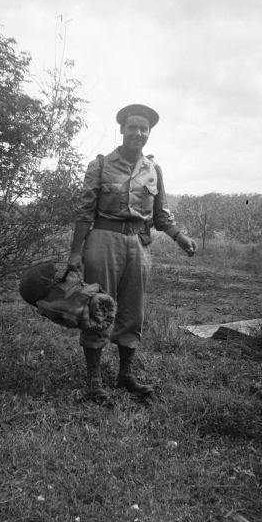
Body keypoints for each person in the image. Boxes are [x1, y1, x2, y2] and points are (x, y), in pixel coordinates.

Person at [68, 104, 197, 400]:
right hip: (103, 239)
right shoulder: (100, 166)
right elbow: (85, 212)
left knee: (133, 310)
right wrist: (76, 253)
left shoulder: (154, 169)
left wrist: (181, 237)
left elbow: (162, 216)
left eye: (144, 128)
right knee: (98, 306)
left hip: (139, 244)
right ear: (122, 129)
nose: (138, 132)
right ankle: (94, 380)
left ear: (149, 133)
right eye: (133, 127)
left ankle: (125, 375)